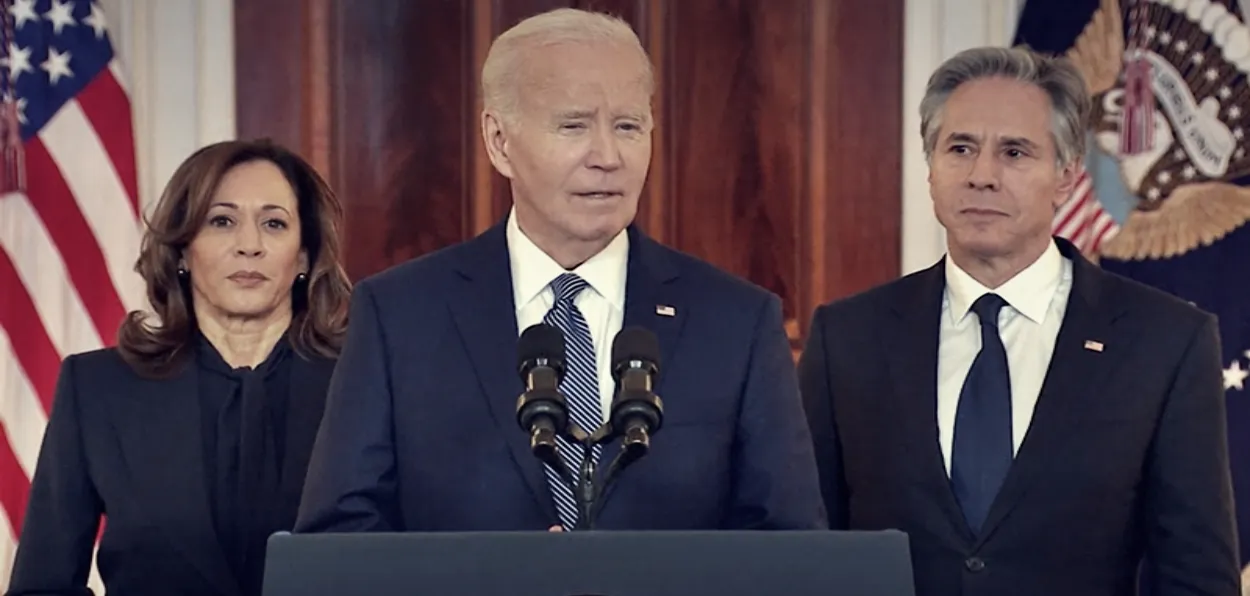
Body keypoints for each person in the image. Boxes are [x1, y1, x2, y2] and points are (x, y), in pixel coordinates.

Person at [295, 8, 824, 534]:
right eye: (574, 126)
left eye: (628, 126)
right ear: (499, 141)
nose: (608, 156)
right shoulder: (399, 316)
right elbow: (340, 536)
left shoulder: (737, 321)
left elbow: (790, 545)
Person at [798, 45, 1240, 596]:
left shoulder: (1165, 343)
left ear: (1066, 175)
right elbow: (806, 555)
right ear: (931, 168)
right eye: (960, 148)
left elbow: (1195, 578)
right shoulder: (847, 339)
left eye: (1014, 152)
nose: (983, 175)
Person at [8, 140, 353, 596]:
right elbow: (42, 586)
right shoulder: (98, 389)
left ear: (305, 256)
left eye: (274, 223)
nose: (249, 245)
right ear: (183, 251)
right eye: (222, 221)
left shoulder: (359, 386)